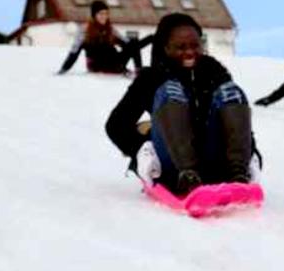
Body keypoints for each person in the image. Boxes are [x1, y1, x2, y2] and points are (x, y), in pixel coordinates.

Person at [105, 13, 259, 195]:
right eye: (181, 47)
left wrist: (252, 151)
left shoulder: (213, 71)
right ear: (166, 48)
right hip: (172, 168)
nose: (190, 52)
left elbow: (233, 120)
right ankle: (188, 176)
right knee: (170, 90)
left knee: (230, 91)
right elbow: (116, 126)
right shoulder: (151, 78)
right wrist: (142, 151)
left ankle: (238, 174)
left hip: (216, 163)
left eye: (195, 45)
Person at [58, 0, 153, 74]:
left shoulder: (110, 29)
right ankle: (120, 69)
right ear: (94, 15)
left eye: (106, 14)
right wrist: (63, 69)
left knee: (133, 41)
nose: (104, 16)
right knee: (104, 49)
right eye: (101, 14)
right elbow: (74, 53)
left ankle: (138, 70)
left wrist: (149, 39)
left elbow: (129, 45)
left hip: (114, 62)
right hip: (97, 65)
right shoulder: (85, 31)